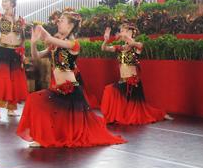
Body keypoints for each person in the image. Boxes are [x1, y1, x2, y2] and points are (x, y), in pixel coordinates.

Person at [16, 10, 126, 148]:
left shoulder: (73, 44)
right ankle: (42, 137)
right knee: (36, 101)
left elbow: (50, 38)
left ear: (70, 26)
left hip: (71, 90)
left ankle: (44, 138)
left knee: (38, 102)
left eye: (62, 20)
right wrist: (33, 43)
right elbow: (37, 56)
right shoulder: (55, 44)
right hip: (59, 89)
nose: (58, 22)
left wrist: (41, 29)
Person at [100, 23, 172, 124]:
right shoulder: (120, 48)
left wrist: (126, 36)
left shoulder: (137, 46)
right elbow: (104, 48)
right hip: (123, 82)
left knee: (136, 110)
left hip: (133, 83)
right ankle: (115, 117)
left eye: (123, 31)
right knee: (109, 91)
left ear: (130, 33)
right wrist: (106, 40)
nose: (121, 33)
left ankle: (160, 114)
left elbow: (136, 44)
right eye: (121, 31)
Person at [0, 0, 28, 119]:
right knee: (2, 80)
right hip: (3, 51)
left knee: (14, 80)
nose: (4, 3)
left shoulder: (20, 20)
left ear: (13, 3)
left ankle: (11, 109)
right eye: (3, 1)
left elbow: (22, 39)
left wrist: (23, 54)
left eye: (6, 1)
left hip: (15, 53)